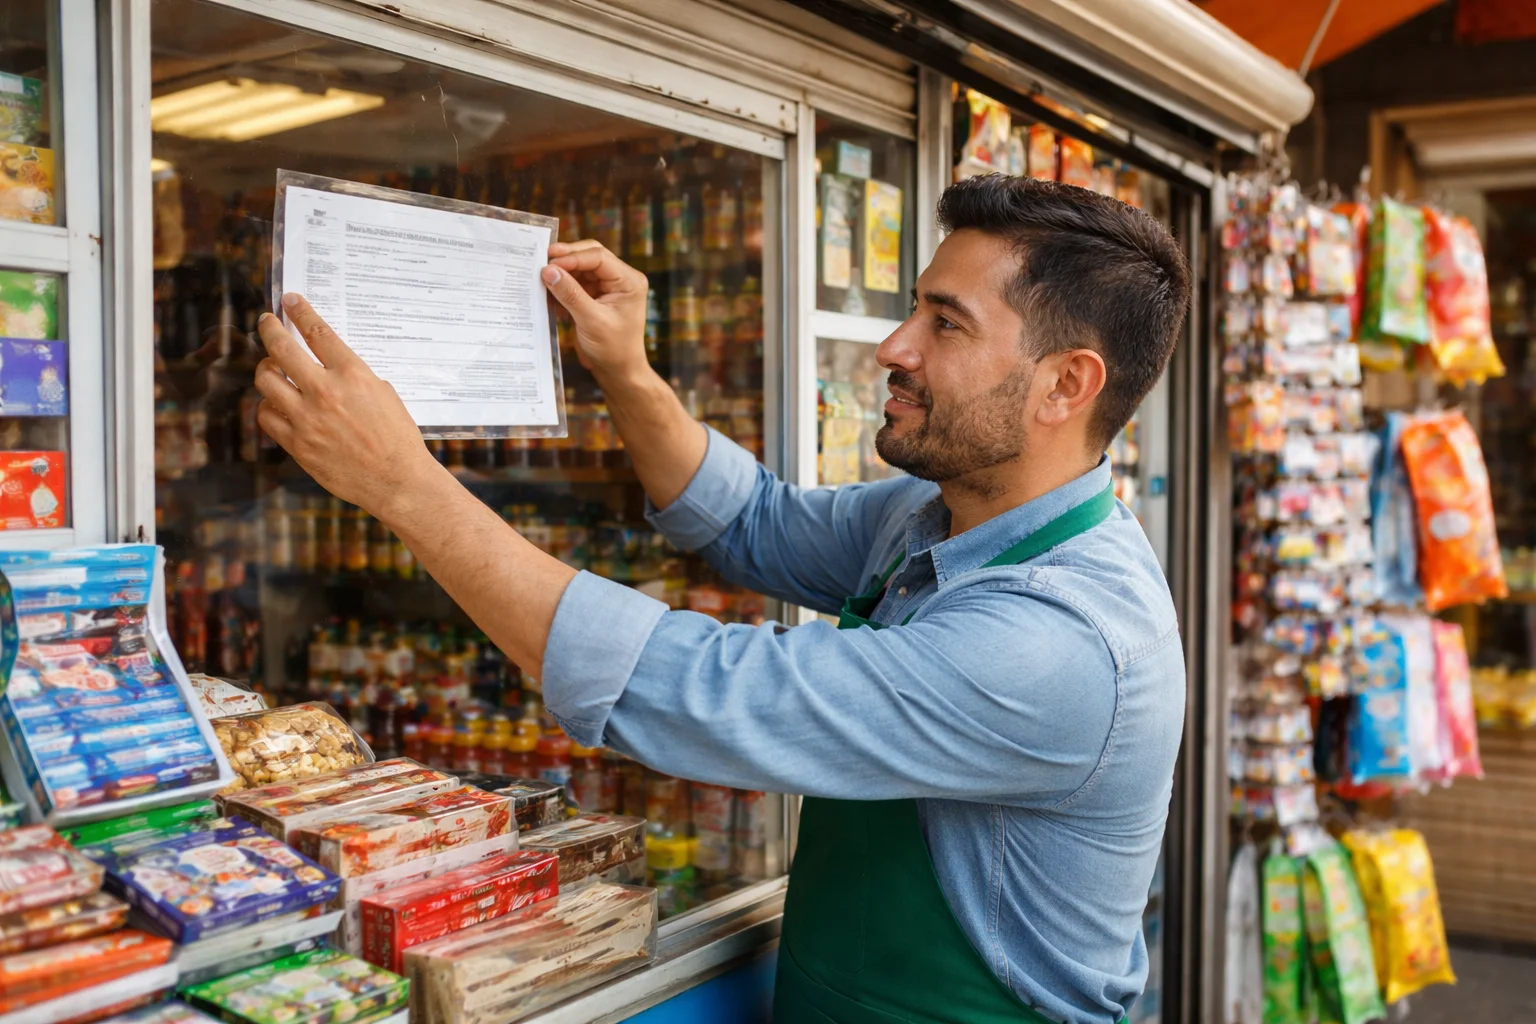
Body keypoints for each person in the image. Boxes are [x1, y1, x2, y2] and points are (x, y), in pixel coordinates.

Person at [252, 174, 1191, 1024]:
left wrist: (403, 485)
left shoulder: (1063, 644)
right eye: (913, 308)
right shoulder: (939, 515)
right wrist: (624, 367)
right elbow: (748, 519)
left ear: (1066, 385)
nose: (892, 347)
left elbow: (696, 686)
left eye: (946, 323)